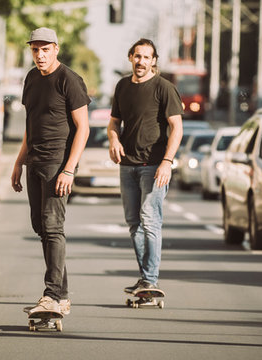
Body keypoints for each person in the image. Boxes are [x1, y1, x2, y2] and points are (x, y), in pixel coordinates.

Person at [11, 27, 90, 315]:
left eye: (45, 49)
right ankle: (62, 294)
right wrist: (19, 162)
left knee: (53, 225)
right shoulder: (31, 78)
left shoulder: (69, 80)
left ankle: (52, 294)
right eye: (35, 49)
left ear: (56, 48)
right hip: (35, 161)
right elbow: (30, 125)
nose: (40, 55)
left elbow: (83, 127)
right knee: (40, 227)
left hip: (58, 163)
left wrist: (69, 169)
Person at [107, 38, 183, 294]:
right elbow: (114, 122)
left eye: (146, 57)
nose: (141, 61)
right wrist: (113, 139)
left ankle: (151, 279)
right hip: (127, 164)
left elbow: (177, 128)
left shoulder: (164, 88)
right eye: (137, 56)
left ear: (153, 61)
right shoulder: (122, 87)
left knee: (150, 220)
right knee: (133, 223)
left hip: (154, 165)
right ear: (131, 57)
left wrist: (167, 162)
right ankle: (144, 278)